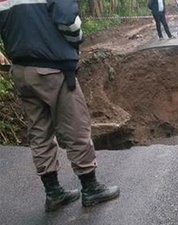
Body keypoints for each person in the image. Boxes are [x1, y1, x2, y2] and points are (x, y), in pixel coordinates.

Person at [0, 0, 120, 212]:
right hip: (52, 69)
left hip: (21, 71)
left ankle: (53, 193)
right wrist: (77, 40)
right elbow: (68, 21)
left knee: (39, 132)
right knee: (76, 126)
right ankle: (90, 188)